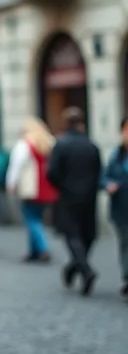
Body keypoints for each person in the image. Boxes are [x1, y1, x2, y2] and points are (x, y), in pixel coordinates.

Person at [47, 107, 101, 295]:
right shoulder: (91, 145)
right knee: (88, 234)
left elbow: (51, 172)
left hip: (68, 196)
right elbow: (98, 171)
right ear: (82, 124)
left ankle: (83, 269)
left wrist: (62, 186)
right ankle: (78, 267)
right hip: (89, 197)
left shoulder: (61, 145)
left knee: (72, 235)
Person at [5, 117, 57, 263]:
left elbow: (16, 165)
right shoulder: (49, 142)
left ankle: (42, 248)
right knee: (36, 217)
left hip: (31, 186)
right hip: (46, 185)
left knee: (31, 218)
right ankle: (34, 251)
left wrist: (11, 183)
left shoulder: (24, 145)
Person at [100, 117, 128, 299]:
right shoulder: (117, 155)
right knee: (125, 244)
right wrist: (107, 184)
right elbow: (104, 176)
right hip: (121, 207)